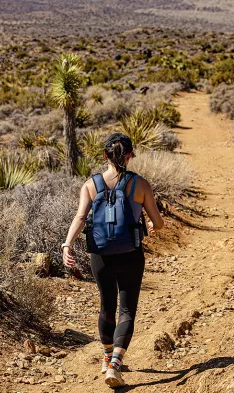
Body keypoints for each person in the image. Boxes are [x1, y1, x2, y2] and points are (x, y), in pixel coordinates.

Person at [61, 133, 164, 388]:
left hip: (100, 255)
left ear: (105, 155)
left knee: (107, 306)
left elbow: (80, 218)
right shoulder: (140, 184)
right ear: (129, 156)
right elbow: (158, 222)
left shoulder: (89, 184)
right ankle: (116, 364)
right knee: (127, 309)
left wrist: (67, 244)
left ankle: (108, 358)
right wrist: (151, 224)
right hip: (131, 254)